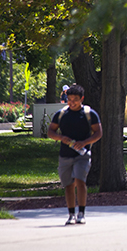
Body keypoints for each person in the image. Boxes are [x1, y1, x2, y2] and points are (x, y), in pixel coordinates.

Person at [47, 84, 102, 225]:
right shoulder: (61, 114)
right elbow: (50, 132)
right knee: (68, 185)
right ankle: (71, 214)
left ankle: (81, 213)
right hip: (65, 155)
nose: (72, 102)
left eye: (75, 99)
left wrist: (85, 142)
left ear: (81, 99)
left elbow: (98, 133)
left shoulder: (90, 114)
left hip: (82, 154)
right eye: (69, 99)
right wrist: (61, 138)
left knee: (80, 180)